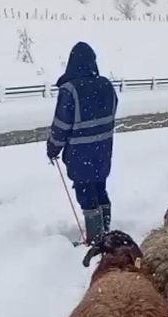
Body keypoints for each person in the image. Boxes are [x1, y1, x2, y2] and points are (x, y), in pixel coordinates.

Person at [47, 42, 118, 244]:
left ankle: (96, 240)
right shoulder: (106, 85)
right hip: (103, 151)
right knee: (100, 188)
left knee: (86, 194)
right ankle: (105, 231)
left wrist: (53, 148)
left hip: (81, 155)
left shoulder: (70, 90)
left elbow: (61, 125)